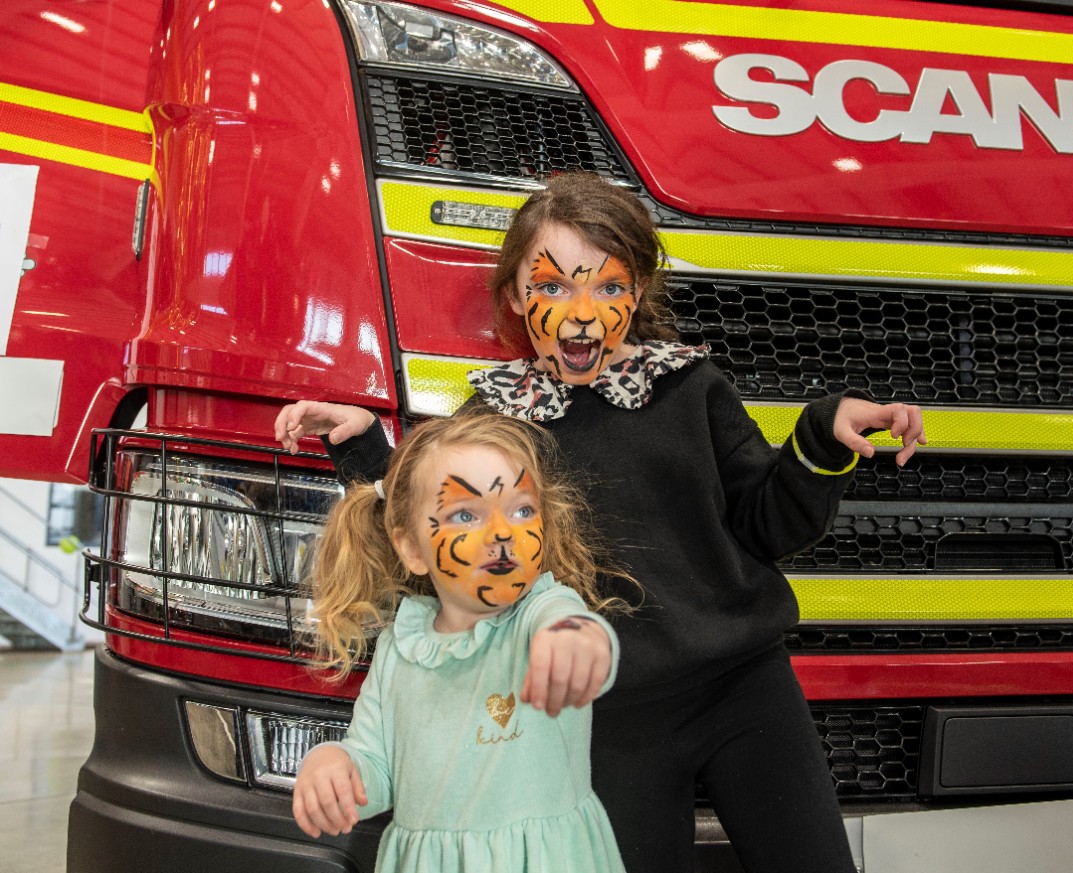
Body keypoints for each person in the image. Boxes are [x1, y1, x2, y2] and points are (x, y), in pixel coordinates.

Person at [277, 171, 926, 873]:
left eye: (607, 286)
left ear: (636, 293)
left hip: (744, 688)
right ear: (518, 298)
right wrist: (366, 447)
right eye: (552, 286)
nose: (581, 313)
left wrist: (822, 436)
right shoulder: (497, 419)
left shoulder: (692, 387)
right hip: (608, 723)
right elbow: (431, 518)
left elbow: (768, 523)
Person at [291, 408, 629, 873]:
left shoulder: (543, 610)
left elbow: (579, 633)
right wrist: (335, 766)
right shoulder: (400, 649)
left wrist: (576, 645)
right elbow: (376, 764)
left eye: (522, 510)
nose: (502, 534)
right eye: (466, 514)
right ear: (411, 548)